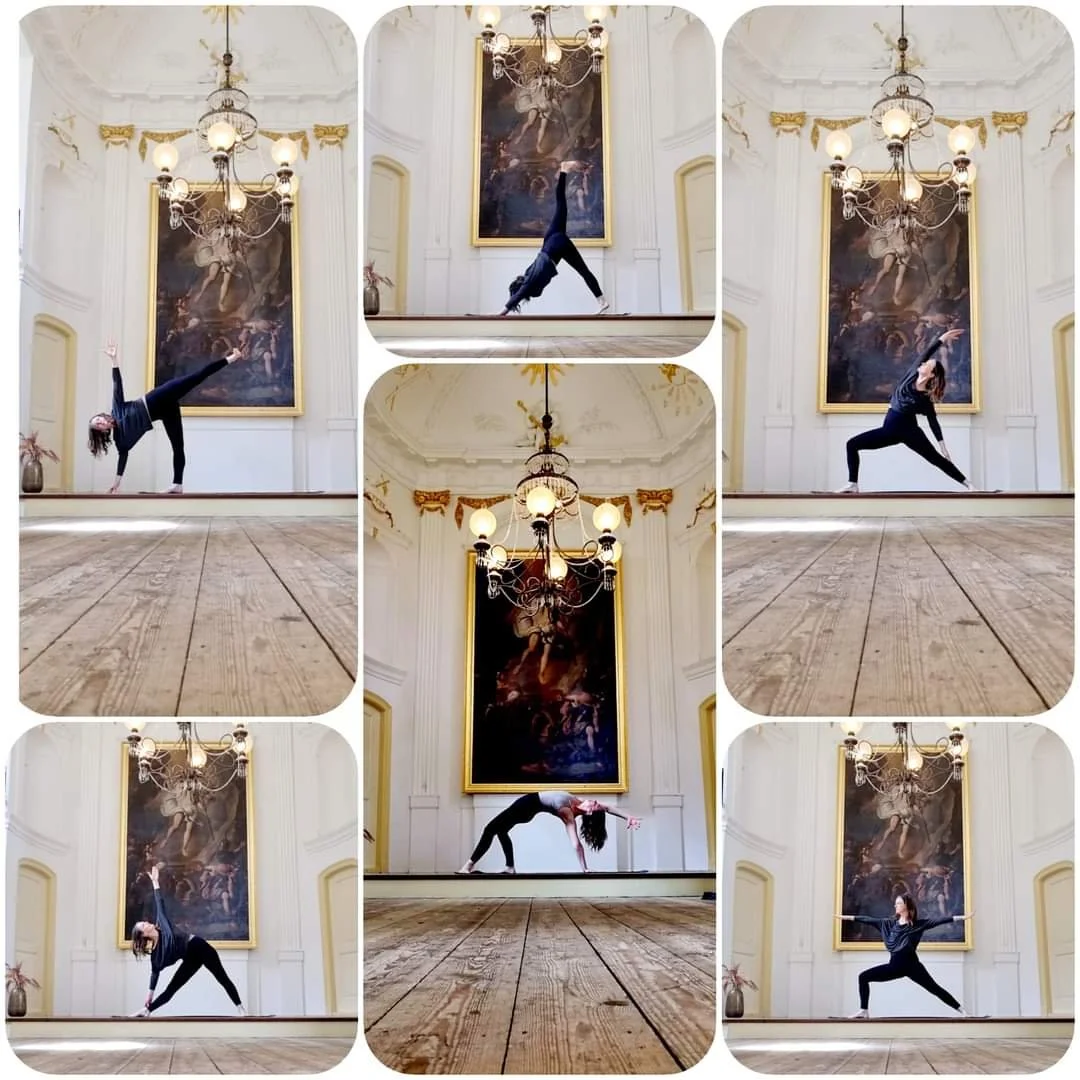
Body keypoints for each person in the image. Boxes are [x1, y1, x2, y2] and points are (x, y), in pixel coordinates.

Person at [88, 338, 244, 494]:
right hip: (165, 412)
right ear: (101, 432)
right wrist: (116, 484)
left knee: (198, 376)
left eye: (98, 419)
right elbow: (122, 459)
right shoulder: (120, 441)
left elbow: (117, 384)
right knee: (178, 446)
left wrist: (114, 359)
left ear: (102, 416)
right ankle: (177, 484)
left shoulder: (117, 409)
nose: (101, 422)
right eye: (98, 425)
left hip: (158, 397)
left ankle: (232, 357)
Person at [838, 327, 976, 493]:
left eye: (928, 365)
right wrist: (943, 338)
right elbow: (926, 352)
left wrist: (943, 446)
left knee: (936, 459)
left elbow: (933, 422)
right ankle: (853, 484)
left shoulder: (925, 398)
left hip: (911, 433)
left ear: (931, 374)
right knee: (852, 444)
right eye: (925, 363)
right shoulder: (911, 375)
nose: (924, 363)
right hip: (888, 432)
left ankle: (969, 485)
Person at [130, 863, 245, 1017]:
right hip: (190, 958)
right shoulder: (156, 956)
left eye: (145, 922)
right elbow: (154, 975)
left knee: (222, 978)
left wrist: (155, 882)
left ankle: (241, 1009)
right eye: (144, 925)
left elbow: (160, 903)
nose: (147, 923)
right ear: (143, 934)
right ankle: (147, 1011)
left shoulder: (162, 925)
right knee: (172, 989)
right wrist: (148, 997)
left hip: (199, 946)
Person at [835, 894, 974, 1018]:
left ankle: (963, 1012)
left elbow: (940, 920)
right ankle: (863, 1010)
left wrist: (963, 918)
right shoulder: (888, 924)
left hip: (913, 967)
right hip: (894, 967)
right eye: (895, 903)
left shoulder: (918, 925)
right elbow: (866, 919)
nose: (896, 905)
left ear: (907, 905)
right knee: (863, 977)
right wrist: (846, 917)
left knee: (935, 989)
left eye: (899, 903)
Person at [499, 163, 609, 316]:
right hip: (550, 242)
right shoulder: (529, 276)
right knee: (561, 204)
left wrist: (500, 313)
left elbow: (519, 295)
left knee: (584, 271)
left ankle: (602, 301)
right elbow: (520, 293)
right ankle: (564, 170)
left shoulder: (529, 282)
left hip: (554, 247)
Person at [457, 791, 641, 874]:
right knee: (501, 831)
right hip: (528, 806)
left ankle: (468, 866)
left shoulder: (567, 812)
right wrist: (628, 817)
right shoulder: (581, 802)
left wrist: (584, 868)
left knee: (490, 829)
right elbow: (608, 808)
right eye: (595, 802)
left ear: (589, 812)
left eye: (593, 805)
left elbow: (575, 843)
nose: (594, 801)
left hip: (527, 805)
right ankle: (510, 867)